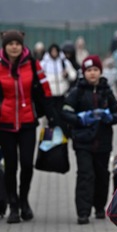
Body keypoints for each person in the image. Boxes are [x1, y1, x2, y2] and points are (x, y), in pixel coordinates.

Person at [0, 29, 57, 224]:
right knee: (10, 166)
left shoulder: (33, 65)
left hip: (27, 122)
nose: (14, 47)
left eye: (17, 43)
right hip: (5, 123)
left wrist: (52, 117)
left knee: (26, 164)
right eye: (10, 44)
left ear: (22, 45)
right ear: (5, 46)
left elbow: (45, 91)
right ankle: (13, 205)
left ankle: (24, 200)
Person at [61, 55, 117, 225]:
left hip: (103, 142)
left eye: (95, 70)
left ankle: (100, 207)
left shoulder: (106, 90)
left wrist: (110, 117)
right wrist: (80, 119)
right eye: (89, 70)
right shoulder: (77, 91)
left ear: (100, 72)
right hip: (82, 142)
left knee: (102, 175)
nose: (92, 73)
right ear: (83, 72)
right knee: (85, 175)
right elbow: (65, 111)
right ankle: (83, 212)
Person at [40, 43, 77, 136]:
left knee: (62, 119)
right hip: (49, 96)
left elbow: (73, 75)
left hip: (62, 95)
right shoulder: (44, 63)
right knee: (50, 120)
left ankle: (63, 139)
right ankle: (49, 141)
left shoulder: (64, 62)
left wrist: (67, 75)